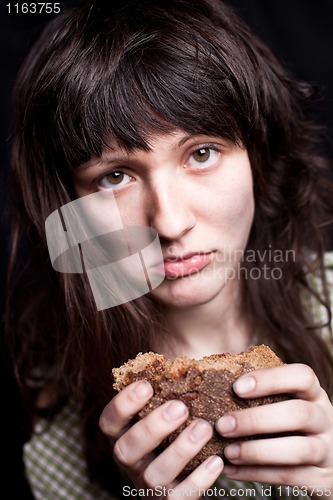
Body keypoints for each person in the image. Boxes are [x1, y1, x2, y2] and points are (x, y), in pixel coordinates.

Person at [6, 0, 333, 497]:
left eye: (201, 153)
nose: (170, 222)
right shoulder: (56, 431)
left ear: (258, 159)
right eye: (115, 177)